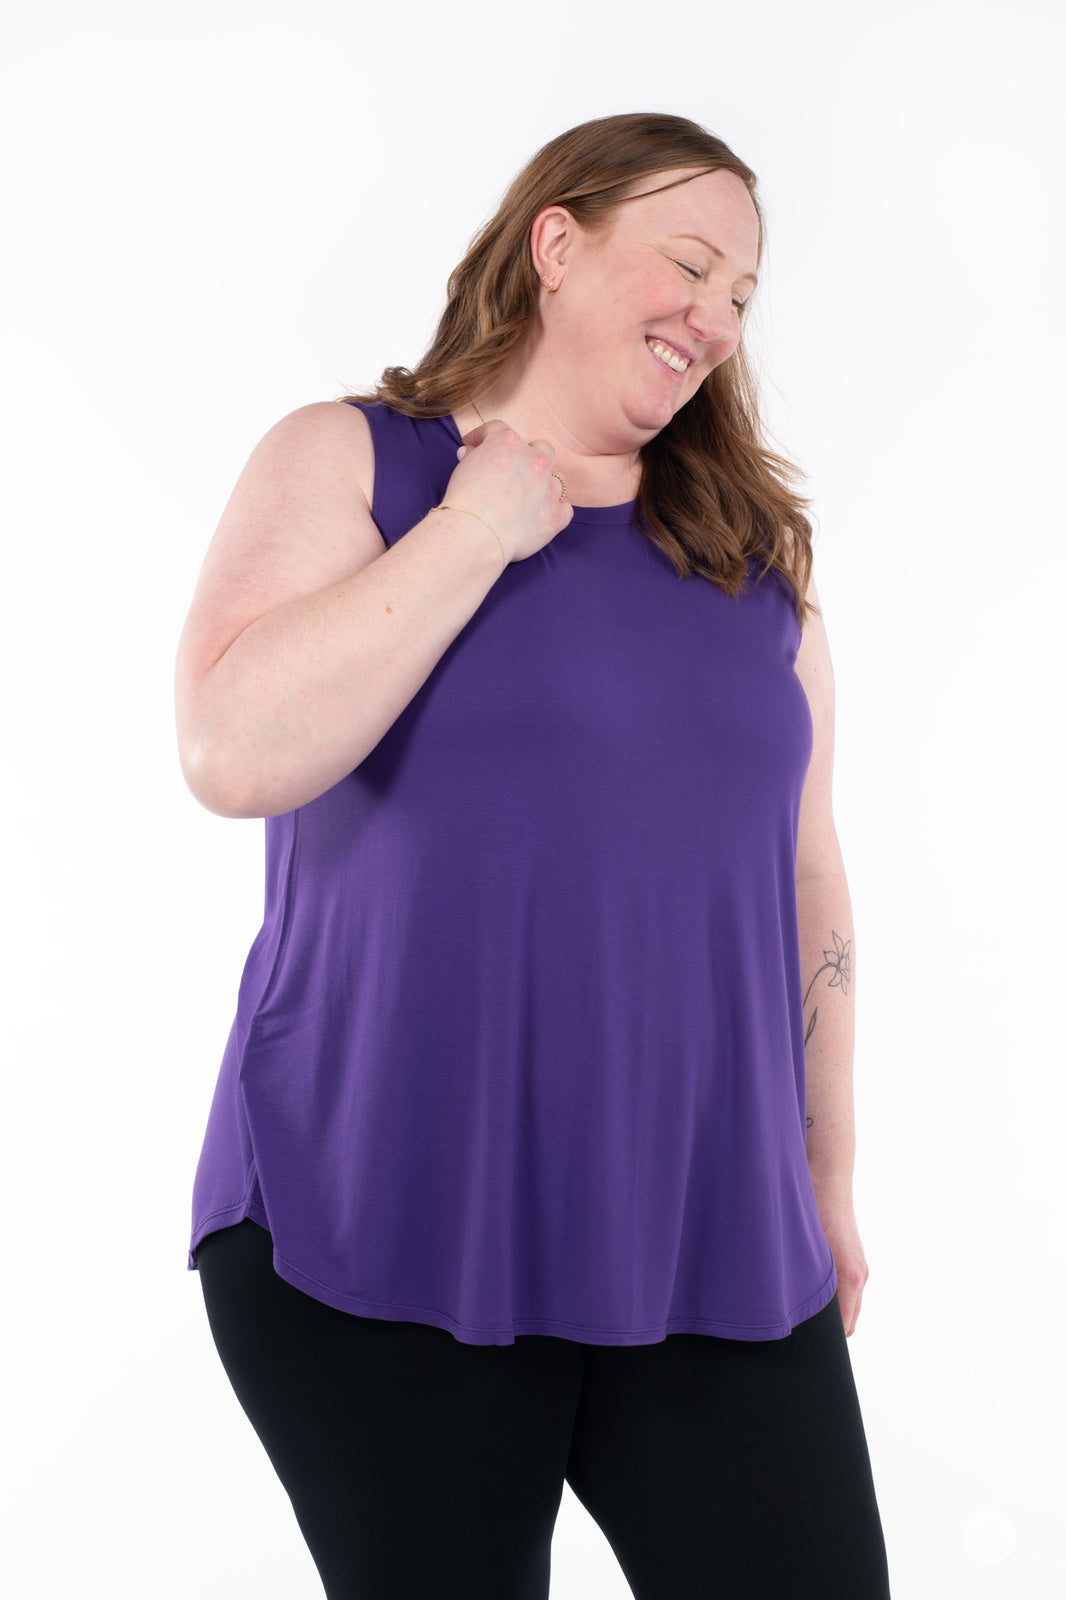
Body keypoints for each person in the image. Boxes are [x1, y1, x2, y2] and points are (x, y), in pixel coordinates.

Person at [176, 111, 892, 1599]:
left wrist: (825, 1178)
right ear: (555, 244)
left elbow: (808, 881)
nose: (714, 317)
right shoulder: (356, 463)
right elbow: (231, 754)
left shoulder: (754, 559)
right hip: (385, 1222)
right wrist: (476, 529)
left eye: (742, 293)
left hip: (706, 1236)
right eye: (687, 264)